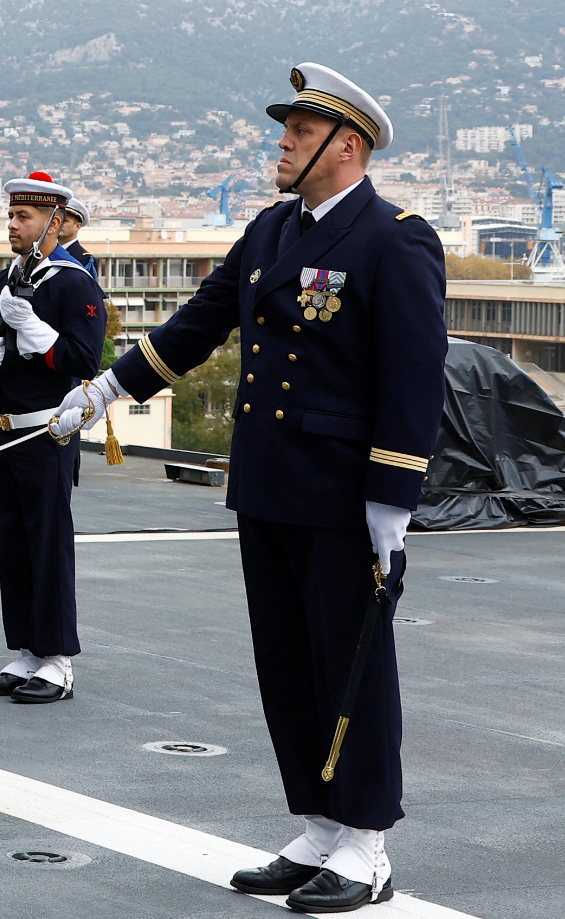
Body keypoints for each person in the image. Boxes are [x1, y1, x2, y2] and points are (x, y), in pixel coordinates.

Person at [65, 64, 442, 913]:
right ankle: (319, 823)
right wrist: (107, 390)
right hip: (269, 480)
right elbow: (198, 322)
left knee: (351, 664)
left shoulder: (395, 238)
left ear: (347, 146)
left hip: (344, 493)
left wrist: (393, 498)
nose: (282, 143)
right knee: (287, 660)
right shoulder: (271, 230)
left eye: (301, 132)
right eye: (286, 130)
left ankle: (367, 842)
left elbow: (414, 378)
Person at [0, 171, 105, 705]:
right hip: (3, 430)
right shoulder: (4, 278)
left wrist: (36, 332)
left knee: (47, 544)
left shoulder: (73, 283)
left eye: (25, 217)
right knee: (13, 544)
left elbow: (85, 359)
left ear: (55, 223)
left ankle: (57, 660)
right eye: (11, 215)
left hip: (46, 432)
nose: (13, 225)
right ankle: (26, 650)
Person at [56, 196, 98, 281]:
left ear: (77, 226)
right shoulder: (45, 253)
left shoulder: (84, 259)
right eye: (57, 220)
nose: (59, 224)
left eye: (65, 221)